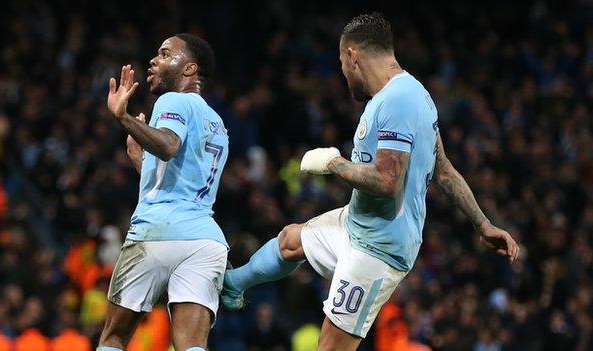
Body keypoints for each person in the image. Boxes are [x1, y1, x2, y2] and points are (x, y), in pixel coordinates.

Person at [221, 12, 519, 351]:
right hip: (357, 224)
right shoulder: (413, 94)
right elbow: (445, 170)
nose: (343, 73)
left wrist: (333, 163)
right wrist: (483, 224)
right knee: (292, 240)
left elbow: (386, 181)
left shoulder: (399, 100)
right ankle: (233, 284)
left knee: (331, 347)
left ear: (353, 56)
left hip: (377, 251)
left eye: (341, 63)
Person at [97, 33, 229, 351]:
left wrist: (123, 117)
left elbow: (168, 146)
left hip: (156, 233)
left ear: (189, 69)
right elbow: (176, 183)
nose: (154, 59)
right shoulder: (218, 123)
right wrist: (139, 157)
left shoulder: (173, 100)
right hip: (205, 241)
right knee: (192, 345)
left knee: (114, 339)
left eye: (166, 53)